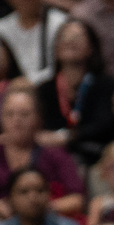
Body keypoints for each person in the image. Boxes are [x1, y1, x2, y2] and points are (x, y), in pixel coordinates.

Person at [35, 19, 114, 163]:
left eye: (78, 37)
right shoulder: (44, 90)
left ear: (91, 47)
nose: (70, 41)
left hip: (97, 159)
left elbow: (104, 126)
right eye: (64, 37)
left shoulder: (105, 84)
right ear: (55, 47)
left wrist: (68, 136)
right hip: (53, 159)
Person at [0, 85, 82, 217]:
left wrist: (37, 208)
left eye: (24, 114)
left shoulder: (54, 154)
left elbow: (77, 199)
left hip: (47, 221)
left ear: (38, 118)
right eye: (10, 114)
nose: (16, 120)